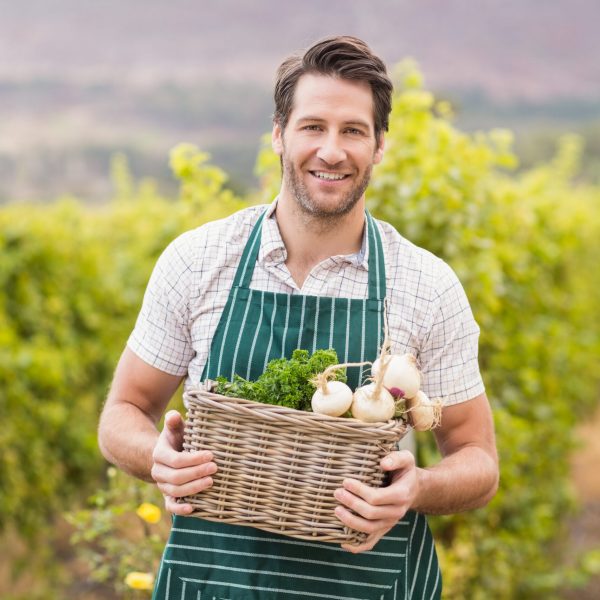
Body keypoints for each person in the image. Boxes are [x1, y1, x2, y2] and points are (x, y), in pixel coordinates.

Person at [98, 35, 498, 600]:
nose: (331, 151)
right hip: (215, 582)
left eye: (353, 131)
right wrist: (156, 457)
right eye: (313, 126)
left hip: (370, 585)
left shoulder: (426, 285)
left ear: (379, 145)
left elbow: (478, 460)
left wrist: (419, 488)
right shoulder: (198, 260)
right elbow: (125, 410)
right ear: (279, 135)